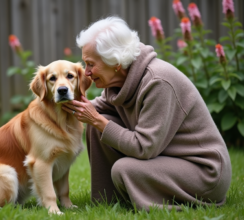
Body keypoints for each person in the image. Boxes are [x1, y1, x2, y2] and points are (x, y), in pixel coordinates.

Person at [62, 16, 232, 211]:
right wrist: (58, 105)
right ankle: (107, 203)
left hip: (204, 172)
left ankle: (151, 203)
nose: (87, 72)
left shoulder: (158, 82)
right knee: (98, 125)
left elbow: (144, 147)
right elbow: (97, 108)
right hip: (168, 160)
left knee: (123, 168)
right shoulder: (118, 81)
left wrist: (98, 121)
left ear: (115, 62)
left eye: (91, 64)